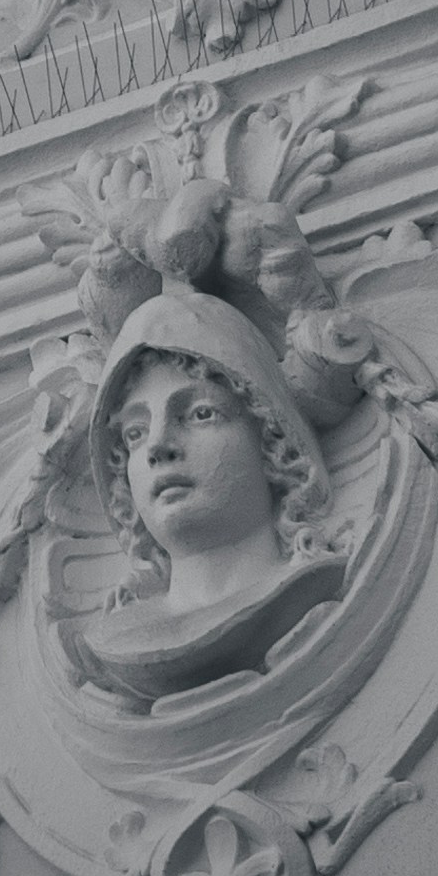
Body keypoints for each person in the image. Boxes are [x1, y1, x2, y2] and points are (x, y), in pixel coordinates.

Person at [79, 288, 346, 701]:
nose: (157, 446)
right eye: (135, 433)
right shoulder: (119, 636)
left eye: (201, 414)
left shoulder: (303, 588)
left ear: (272, 440)